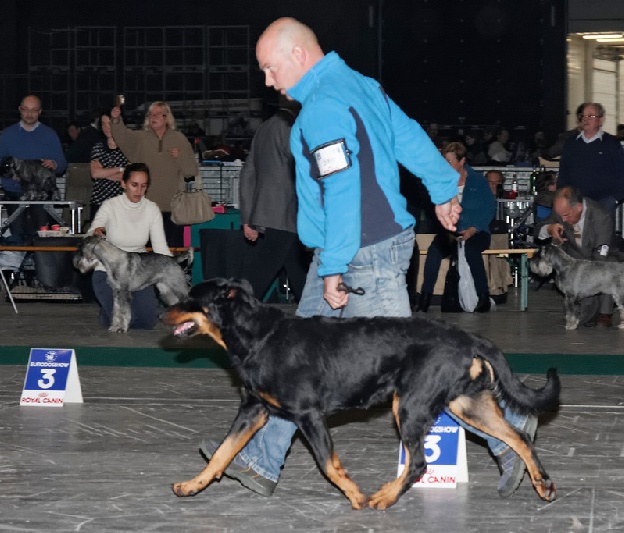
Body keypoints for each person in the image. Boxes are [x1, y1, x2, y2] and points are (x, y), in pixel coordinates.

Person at [199, 16, 536, 500]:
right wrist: (443, 187)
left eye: (270, 68)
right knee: (286, 362)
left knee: (415, 364)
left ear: (298, 55)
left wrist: (335, 265)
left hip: (360, 253)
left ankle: (512, 430)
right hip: (351, 248)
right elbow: (409, 136)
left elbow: (343, 190)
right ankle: (259, 461)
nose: (268, 81)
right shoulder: (360, 84)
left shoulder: (322, 108)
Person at [237, 98, 308, 301]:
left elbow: (248, 173)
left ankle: (313, 309)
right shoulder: (290, 128)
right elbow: (302, 165)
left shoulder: (264, 128)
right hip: (286, 209)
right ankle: (238, 306)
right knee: (263, 269)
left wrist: (247, 217)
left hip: (269, 209)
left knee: (296, 266)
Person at [416, 142, 497, 313]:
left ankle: (483, 296)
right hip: (450, 232)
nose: (446, 165)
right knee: (434, 252)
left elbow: (489, 208)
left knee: (471, 251)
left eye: (450, 161)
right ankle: (424, 298)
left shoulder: (478, 181)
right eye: (444, 161)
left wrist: (474, 228)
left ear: (462, 161)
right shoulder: (442, 182)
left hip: (477, 231)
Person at [88, 163, 170, 330]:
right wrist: (96, 231)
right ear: (123, 184)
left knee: (146, 323)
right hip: (107, 273)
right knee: (122, 321)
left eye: (143, 186)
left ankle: (111, 311)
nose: (139, 190)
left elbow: (160, 248)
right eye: (134, 185)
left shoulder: (152, 209)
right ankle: (108, 310)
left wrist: (173, 270)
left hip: (138, 273)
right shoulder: (110, 205)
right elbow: (93, 229)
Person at [109, 101, 199, 247]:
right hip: (145, 208)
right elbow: (122, 136)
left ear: (167, 117)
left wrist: (180, 156)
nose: (153, 117)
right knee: (146, 253)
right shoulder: (140, 138)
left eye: (157, 114)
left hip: (174, 209)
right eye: (150, 114)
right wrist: (116, 120)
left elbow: (191, 172)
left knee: (172, 252)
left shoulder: (179, 139)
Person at [0, 95, 67, 242]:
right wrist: (6, 168)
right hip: (14, 193)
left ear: (40, 112)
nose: (29, 114)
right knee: (18, 237)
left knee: (41, 238)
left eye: (34, 110)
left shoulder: (50, 135)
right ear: (20, 110)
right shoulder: (7, 135)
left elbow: (62, 164)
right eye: (26, 110)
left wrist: (54, 164)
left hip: (41, 195)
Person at [537, 185, 615, 327]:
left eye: (566, 215)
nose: (562, 219)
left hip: (598, 263)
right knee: (582, 318)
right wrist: (549, 229)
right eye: (560, 215)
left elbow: (600, 258)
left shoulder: (601, 216)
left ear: (579, 208)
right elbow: (537, 231)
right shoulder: (561, 211)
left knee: (608, 265)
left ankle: (605, 312)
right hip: (572, 264)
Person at [556, 102, 624, 217]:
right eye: (583, 116)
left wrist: (614, 199)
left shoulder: (611, 144)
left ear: (600, 120)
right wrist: (563, 197)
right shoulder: (571, 144)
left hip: (603, 204)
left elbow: (621, 174)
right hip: (575, 204)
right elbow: (563, 173)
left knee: (602, 229)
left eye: (590, 116)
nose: (585, 119)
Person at [88, 113, 129, 223]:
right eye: (103, 124)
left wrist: (104, 172)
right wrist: (120, 169)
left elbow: (129, 176)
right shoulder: (98, 147)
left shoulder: (128, 147)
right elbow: (95, 173)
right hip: (99, 201)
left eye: (109, 124)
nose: (106, 128)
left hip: (123, 202)